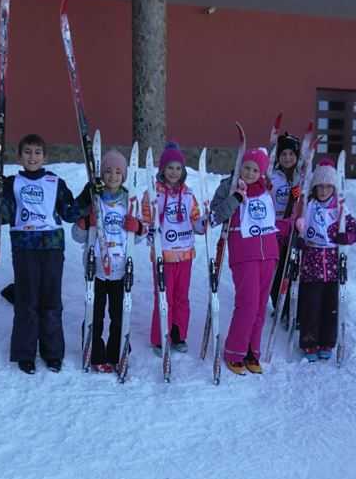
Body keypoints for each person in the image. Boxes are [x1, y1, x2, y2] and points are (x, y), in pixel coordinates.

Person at [0, 134, 90, 375]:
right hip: (24, 247)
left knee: (51, 301)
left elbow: (69, 213)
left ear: (45, 157)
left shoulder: (55, 182)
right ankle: (25, 353)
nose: (32, 157)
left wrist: (88, 193)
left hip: (52, 247)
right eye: (27, 152)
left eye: (37, 152)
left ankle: (52, 353)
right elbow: (3, 216)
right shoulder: (12, 183)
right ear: (19, 156)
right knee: (27, 301)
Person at [71, 149, 145, 372]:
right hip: (96, 269)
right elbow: (77, 236)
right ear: (101, 174)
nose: (113, 176)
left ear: (124, 176)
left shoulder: (130, 200)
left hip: (121, 268)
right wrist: (85, 223)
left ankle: (117, 351)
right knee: (94, 313)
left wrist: (138, 228)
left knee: (119, 314)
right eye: (108, 171)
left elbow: (140, 236)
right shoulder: (94, 199)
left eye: (118, 172)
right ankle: (95, 353)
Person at [211, 147, 279, 375]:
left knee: (260, 306)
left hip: (269, 252)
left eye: (255, 170)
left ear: (262, 173)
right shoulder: (229, 186)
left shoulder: (267, 189)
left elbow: (275, 218)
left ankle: (252, 352)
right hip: (244, 253)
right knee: (247, 304)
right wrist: (236, 198)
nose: (250, 173)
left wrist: (295, 209)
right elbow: (215, 215)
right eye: (246, 168)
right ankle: (234, 351)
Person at [141, 142, 205, 356]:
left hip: (185, 254)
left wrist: (204, 223)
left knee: (181, 297)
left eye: (178, 168)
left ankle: (178, 334)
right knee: (164, 296)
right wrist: (147, 229)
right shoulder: (153, 194)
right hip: (164, 255)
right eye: (170, 167)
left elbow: (196, 220)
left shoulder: (188, 195)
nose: (174, 172)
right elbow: (145, 220)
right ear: (162, 169)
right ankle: (161, 336)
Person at [295, 158, 356, 362]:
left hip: (332, 266)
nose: (323, 191)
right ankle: (309, 342)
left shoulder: (340, 209)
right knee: (311, 306)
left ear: (334, 188)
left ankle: (327, 342)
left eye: (328, 186)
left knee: (330, 307)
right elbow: (297, 227)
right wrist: (298, 238)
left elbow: (354, 231)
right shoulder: (308, 206)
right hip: (311, 266)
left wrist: (345, 237)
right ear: (315, 187)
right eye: (320, 186)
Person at [269, 132, 301, 318]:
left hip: (294, 229)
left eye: (291, 154)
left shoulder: (301, 177)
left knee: (290, 269)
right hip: (274, 230)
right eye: (283, 154)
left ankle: (291, 306)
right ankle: (278, 304)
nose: (287, 158)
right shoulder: (273, 177)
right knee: (276, 269)